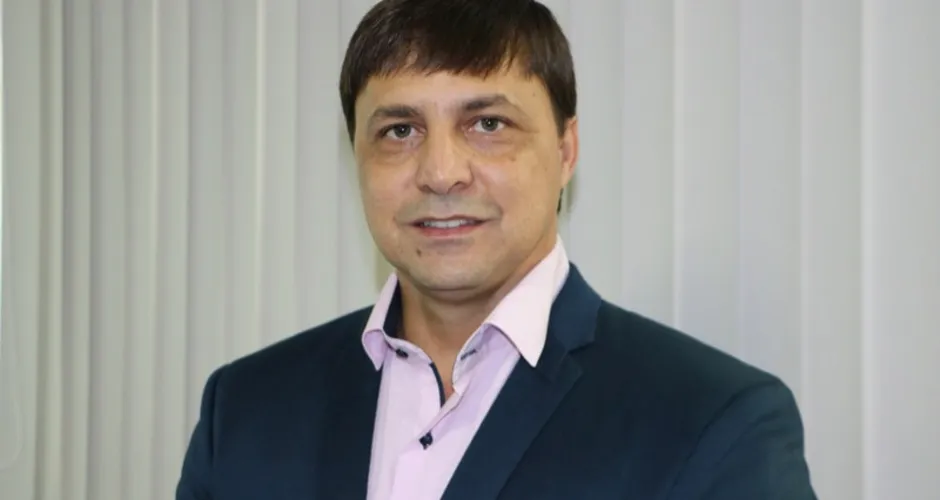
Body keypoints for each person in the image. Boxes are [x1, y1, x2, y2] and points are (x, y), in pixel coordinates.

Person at [176, 0, 817, 498]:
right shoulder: (246, 410)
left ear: (565, 151)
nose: (441, 172)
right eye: (399, 130)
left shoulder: (714, 425)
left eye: (488, 124)